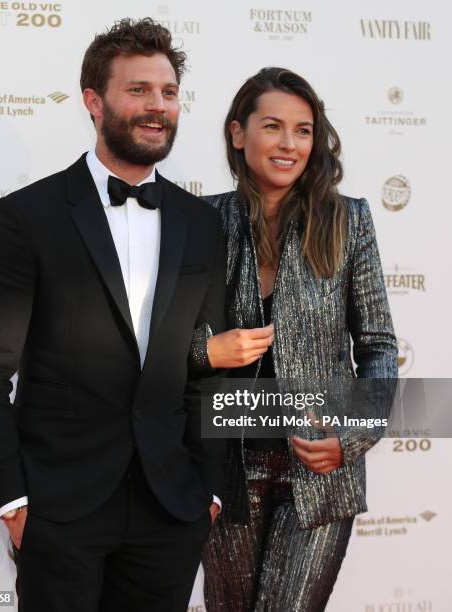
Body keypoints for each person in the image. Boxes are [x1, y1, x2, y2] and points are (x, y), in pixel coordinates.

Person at [0, 18, 227, 612]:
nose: (157, 106)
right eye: (137, 90)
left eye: (167, 92)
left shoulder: (202, 224)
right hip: (60, 510)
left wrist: (208, 489)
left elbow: (206, 368)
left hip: (169, 511)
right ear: (93, 101)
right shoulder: (28, 216)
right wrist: (12, 503)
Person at [190, 67, 398, 611]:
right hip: (226, 469)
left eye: (303, 130)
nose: (289, 144)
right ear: (239, 133)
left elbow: (377, 346)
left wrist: (350, 436)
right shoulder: (202, 221)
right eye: (273, 126)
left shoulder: (347, 220)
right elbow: (171, 342)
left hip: (319, 471)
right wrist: (204, 351)